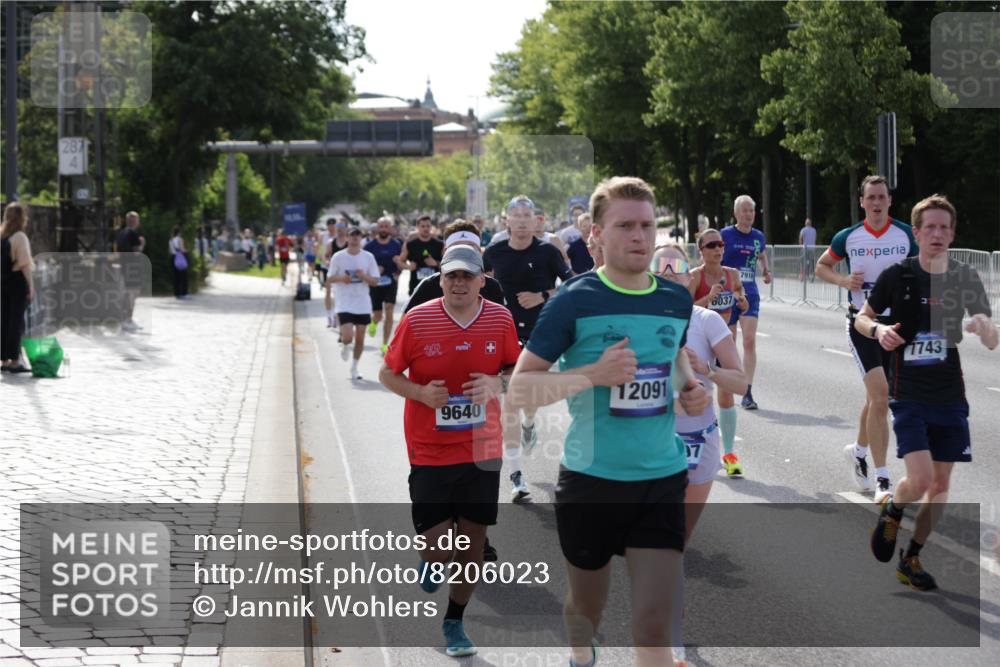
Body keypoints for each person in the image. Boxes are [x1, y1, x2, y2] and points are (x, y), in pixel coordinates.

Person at [506, 176, 709, 667]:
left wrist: (688, 386)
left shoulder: (675, 298)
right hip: (591, 481)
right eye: (625, 226)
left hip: (661, 477)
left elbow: (675, 350)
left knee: (654, 627)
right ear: (596, 235)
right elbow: (520, 388)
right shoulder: (575, 300)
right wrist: (592, 374)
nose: (639, 236)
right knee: (586, 610)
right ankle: (582, 654)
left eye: (646, 225)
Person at [379, 243, 521, 657]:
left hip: (482, 447)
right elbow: (387, 372)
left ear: (482, 280)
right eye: (451, 275)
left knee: (473, 539)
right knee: (441, 546)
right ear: (440, 279)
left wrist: (499, 384)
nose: (459, 283)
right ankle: (432, 556)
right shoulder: (418, 320)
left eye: (467, 276)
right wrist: (420, 392)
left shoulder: (499, 319)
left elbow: (516, 368)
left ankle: (454, 621)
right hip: (429, 449)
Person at [859, 194, 996, 590]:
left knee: (940, 485)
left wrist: (986, 329)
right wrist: (879, 330)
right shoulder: (898, 276)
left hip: (950, 394)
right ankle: (895, 508)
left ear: (952, 234)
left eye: (944, 227)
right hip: (909, 391)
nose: (937, 234)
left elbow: (991, 337)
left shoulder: (964, 277)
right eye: (929, 227)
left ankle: (912, 555)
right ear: (916, 233)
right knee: (919, 480)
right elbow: (862, 319)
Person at [652, 242, 747, 665]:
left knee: (679, 540)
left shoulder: (706, 321)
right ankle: (670, 632)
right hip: (651, 444)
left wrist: (706, 370)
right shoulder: (634, 323)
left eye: (677, 272)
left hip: (701, 442)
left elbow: (741, 384)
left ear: (689, 278)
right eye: (662, 272)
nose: (670, 277)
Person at [816, 175, 918, 502]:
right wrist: (845, 280)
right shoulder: (849, 236)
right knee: (880, 397)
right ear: (862, 201)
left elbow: (925, 269)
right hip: (862, 324)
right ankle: (883, 479)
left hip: (897, 327)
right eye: (870, 197)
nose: (876, 203)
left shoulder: (905, 235)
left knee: (878, 398)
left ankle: (858, 451)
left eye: (881, 197)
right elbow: (821, 266)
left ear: (890, 201)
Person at [483, 195, 572, 501]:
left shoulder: (547, 251)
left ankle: (530, 424)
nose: (521, 220)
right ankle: (517, 475)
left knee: (527, 400)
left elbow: (570, 284)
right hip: (506, 334)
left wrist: (542, 296)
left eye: (527, 215)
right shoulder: (494, 252)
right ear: (506, 220)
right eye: (516, 215)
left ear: (536, 220)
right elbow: (476, 284)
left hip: (540, 334)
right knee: (509, 400)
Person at [689, 228, 750, 477]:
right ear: (701, 250)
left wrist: (743, 303)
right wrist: (707, 297)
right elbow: (685, 309)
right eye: (711, 245)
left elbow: (741, 299)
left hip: (724, 340)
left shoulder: (732, 274)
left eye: (720, 244)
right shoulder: (695, 276)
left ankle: (729, 454)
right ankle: (699, 448)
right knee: (699, 394)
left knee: (726, 397)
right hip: (700, 343)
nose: (718, 249)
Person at [720, 195, 771, 411]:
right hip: (728, 293)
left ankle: (747, 392)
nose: (748, 214)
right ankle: (728, 384)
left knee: (749, 341)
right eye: (744, 211)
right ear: (736, 214)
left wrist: (766, 271)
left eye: (751, 210)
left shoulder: (758, 236)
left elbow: (761, 255)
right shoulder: (725, 235)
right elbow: (715, 258)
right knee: (729, 341)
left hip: (749, 292)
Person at [406, 221, 505, 312]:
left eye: (470, 246)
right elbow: (407, 322)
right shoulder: (427, 286)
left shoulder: (493, 287)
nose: (463, 252)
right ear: (445, 252)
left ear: (479, 252)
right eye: (456, 247)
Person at [328, 227, 380, 380]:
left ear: (361, 238)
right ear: (347, 238)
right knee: (348, 337)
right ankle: (344, 344)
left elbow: (376, 281)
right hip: (344, 302)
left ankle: (354, 367)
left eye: (358, 235)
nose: (355, 238)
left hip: (362, 303)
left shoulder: (368, 257)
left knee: (360, 339)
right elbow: (329, 279)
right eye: (352, 235)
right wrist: (341, 279)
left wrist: (363, 276)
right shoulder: (338, 257)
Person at [1, 203, 35, 373]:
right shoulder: (20, 237)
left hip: (3, 282)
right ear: (22, 218)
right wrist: (31, 286)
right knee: (16, 322)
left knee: (5, 320)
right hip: (17, 282)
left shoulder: (2, 235)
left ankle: (4, 360)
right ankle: (15, 361)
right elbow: (25, 264)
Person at [363, 217, 404, 355]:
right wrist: (373, 270)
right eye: (382, 226)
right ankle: (374, 323)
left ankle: (385, 344)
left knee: (389, 309)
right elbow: (363, 265)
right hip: (375, 283)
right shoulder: (370, 246)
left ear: (390, 228)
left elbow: (402, 262)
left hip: (391, 281)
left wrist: (399, 270)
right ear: (377, 228)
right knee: (378, 315)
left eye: (387, 226)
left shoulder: (396, 245)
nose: (384, 229)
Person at [115, 211, 146, 332]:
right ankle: (127, 320)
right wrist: (142, 244)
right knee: (132, 294)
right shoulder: (133, 234)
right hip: (132, 267)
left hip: (124, 265)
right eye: (137, 219)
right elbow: (137, 252)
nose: (138, 222)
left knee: (127, 293)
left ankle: (126, 319)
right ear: (134, 221)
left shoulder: (122, 233)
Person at [398, 215, 444, 296]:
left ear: (431, 227)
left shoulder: (439, 244)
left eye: (428, 226)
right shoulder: (410, 244)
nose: (425, 228)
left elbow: (448, 265)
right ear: (417, 227)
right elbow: (400, 262)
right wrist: (408, 266)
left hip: (435, 288)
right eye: (422, 226)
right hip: (416, 288)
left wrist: (436, 263)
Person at [168, 226, 189, 299]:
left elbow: (170, 251)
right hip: (180, 257)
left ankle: (177, 293)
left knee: (176, 276)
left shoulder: (171, 240)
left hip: (173, 258)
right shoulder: (180, 239)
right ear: (179, 232)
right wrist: (186, 251)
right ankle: (184, 293)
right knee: (183, 276)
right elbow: (182, 249)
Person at [798, 217, 818, 281]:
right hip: (812, 248)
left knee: (802, 261)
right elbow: (815, 239)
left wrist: (801, 246)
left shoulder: (803, 230)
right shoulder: (814, 230)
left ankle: (802, 275)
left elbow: (800, 238)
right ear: (810, 223)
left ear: (805, 223)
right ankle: (810, 275)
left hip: (805, 248)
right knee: (811, 261)